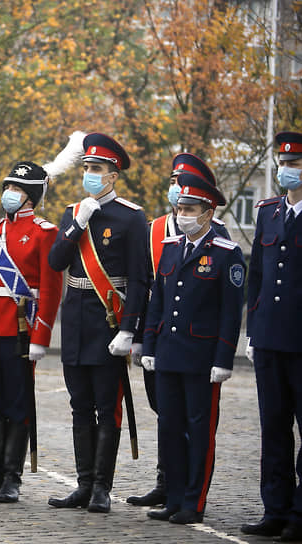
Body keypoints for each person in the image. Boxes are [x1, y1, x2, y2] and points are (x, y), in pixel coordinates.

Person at [47, 133, 148, 513]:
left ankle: (102, 487)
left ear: (113, 175)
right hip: (75, 322)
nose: (90, 174)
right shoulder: (74, 212)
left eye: (97, 169)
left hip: (109, 322)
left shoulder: (131, 216)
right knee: (79, 406)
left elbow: (139, 279)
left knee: (107, 407)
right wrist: (78, 223)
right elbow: (57, 262)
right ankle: (83, 483)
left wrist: (129, 329)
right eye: (86, 168)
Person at [142, 172, 245, 524]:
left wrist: (224, 358)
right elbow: (158, 302)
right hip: (169, 354)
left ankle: (193, 501)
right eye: (179, 207)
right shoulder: (170, 249)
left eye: (189, 208)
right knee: (169, 427)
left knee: (200, 430)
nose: (182, 213)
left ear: (207, 212)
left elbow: (232, 313)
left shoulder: (225, 253)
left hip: (202, 359)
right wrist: (150, 346)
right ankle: (173, 497)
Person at [128, 152, 229, 507]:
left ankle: (189, 493)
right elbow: (146, 288)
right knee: (165, 415)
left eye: (183, 186)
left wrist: (223, 355)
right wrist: (140, 338)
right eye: (173, 184)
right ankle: (168, 484)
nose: (176, 194)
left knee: (194, 421)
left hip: (197, 349)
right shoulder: (156, 230)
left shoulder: (221, 241)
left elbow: (226, 306)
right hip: (162, 343)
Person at [0, 161, 63, 502]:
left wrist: (41, 336)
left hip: (19, 330)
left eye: (16, 189)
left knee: (16, 404)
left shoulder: (45, 233)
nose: (9, 194)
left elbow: (50, 289)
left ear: (30, 196)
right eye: (7, 187)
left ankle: (12, 478)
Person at [241, 131, 302, 541]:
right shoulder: (268, 212)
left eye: (295, 163)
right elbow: (258, 277)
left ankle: (300, 514)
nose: (287, 170)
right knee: (273, 429)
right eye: (284, 163)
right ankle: (275, 509)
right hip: (268, 338)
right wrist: (252, 329)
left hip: (301, 341)